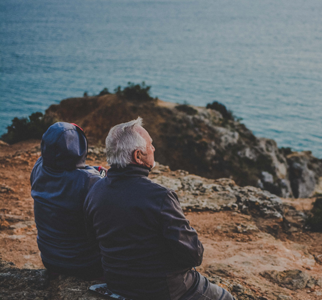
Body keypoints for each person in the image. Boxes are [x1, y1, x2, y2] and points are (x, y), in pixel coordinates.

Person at [84, 117, 234, 300]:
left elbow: (93, 239)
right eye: (150, 145)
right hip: (165, 290)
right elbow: (193, 255)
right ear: (138, 156)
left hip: (116, 283)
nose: (153, 149)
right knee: (225, 297)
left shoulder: (95, 190)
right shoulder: (159, 197)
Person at [31, 122, 104, 279]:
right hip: (85, 264)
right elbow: (108, 190)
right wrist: (101, 174)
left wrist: (92, 170)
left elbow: (66, 171)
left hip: (50, 259)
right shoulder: (90, 181)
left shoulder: (39, 167)